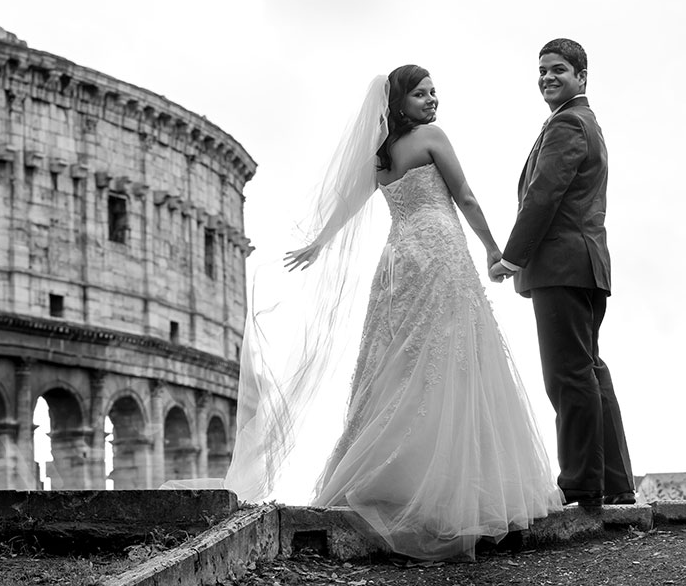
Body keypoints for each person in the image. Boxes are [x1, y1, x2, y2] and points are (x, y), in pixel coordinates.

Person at [223, 65, 561, 562]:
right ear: (399, 102)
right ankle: (457, 495)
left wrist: (318, 243)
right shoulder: (431, 138)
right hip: (441, 254)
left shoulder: (380, 157)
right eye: (421, 93)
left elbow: (349, 202)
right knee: (455, 359)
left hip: (399, 260)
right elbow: (464, 196)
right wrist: (494, 249)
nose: (432, 100)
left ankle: (397, 484)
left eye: (434, 92)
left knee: (399, 365)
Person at [489, 38, 635, 508]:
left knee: (567, 377)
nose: (547, 78)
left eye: (558, 70)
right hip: (585, 267)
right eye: (542, 71)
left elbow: (544, 194)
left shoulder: (569, 123)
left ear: (581, 77)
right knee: (590, 371)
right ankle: (614, 482)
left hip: (563, 266)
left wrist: (511, 257)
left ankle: (579, 484)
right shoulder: (585, 122)